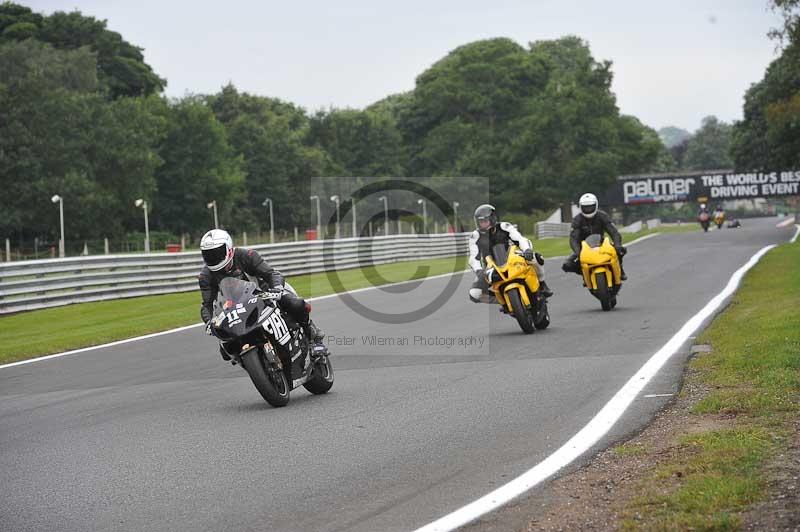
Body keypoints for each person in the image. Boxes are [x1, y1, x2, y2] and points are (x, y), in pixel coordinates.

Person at [198, 229, 326, 360]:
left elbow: (272, 274)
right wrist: (208, 322)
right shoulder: (206, 276)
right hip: (236, 308)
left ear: (229, 249)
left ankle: (314, 338)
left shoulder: (246, 255)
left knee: (295, 304)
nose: (213, 258)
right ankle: (255, 362)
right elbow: (207, 304)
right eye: (208, 255)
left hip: (265, 294)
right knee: (226, 350)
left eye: (217, 253)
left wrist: (276, 289)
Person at [468, 204, 553, 303]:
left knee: (536, 257)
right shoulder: (475, 236)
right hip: (491, 268)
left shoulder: (504, 227)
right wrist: (479, 271)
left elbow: (520, 239)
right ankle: (503, 301)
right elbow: (473, 257)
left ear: (493, 219)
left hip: (512, 258)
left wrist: (527, 250)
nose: (483, 224)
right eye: (481, 222)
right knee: (474, 294)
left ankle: (542, 284)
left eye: (485, 221)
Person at [561, 193, 627, 280]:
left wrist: (617, 244)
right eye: (586, 207)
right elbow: (573, 238)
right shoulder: (577, 220)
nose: (588, 209)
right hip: (583, 247)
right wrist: (578, 252)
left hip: (602, 243)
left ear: (596, 205)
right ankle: (585, 273)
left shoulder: (602, 216)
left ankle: (620, 269)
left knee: (620, 250)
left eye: (590, 206)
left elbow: (614, 232)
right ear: (581, 207)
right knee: (567, 265)